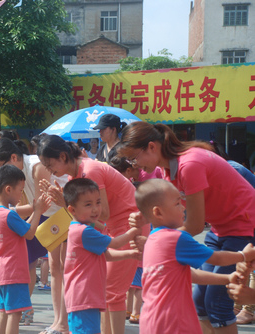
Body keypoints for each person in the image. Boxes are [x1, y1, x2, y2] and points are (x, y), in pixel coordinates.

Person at [119, 122, 255, 333]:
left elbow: (194, 224)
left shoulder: (189, 164)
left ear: (152, 147)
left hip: (245, 225)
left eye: (134, 157)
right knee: (200, 302)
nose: (134, 165)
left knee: (217, 303)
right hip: (221, 228)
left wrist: (158, 241)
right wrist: (148, 217)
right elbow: (176, 211)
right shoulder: (167, 170)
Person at [37, 134, 146, 334]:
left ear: (62, 156)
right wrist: (66, 204)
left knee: (112, 292)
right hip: (112, 228)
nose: (48, 169)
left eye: (48, 163)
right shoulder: (75, 176)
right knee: (107, 291)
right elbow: (85, 218)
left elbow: (102, 213)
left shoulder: (89, 171)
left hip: (127, 224)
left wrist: (65, 204)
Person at [133, 178, 255, 334]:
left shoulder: (152, 239)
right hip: (174, 322)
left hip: (151, 319)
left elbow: (191, 275)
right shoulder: (175, 238)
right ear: (158, 212)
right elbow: (216, 258)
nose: (183, 208)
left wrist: (227, 278)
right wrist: (243, 256)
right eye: (177, 204)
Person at [0, 137, 65, 326]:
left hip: (59, 216)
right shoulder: (10, 206)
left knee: (58, 267)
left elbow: (37, 208)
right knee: (14, 313)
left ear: (13, 157)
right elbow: (33, 213)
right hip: (41, 220)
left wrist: (34, 210)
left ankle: (57, 319)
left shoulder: (35, 167)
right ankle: (28, 309)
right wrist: (34, 210)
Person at [62, 178, 140, 334]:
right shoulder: (84, 231)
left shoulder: (81, 229)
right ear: (72, 210)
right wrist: (135, 229)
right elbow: (115, 243)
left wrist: (131, 254)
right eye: (88, 204)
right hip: (84, 297)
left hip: (85, 297)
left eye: (98, 202)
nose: (95, 209)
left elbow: (106, 254)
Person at [0, 165, 50, 334]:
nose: (21, 195)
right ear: (8, 189)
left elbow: (24, 227)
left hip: (1, 273)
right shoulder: (9, 214)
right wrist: (37, 211)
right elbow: (30, 233)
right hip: (14, 273)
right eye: (20, 190)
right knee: (15, 315)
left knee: (4, 313)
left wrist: (37, 212)